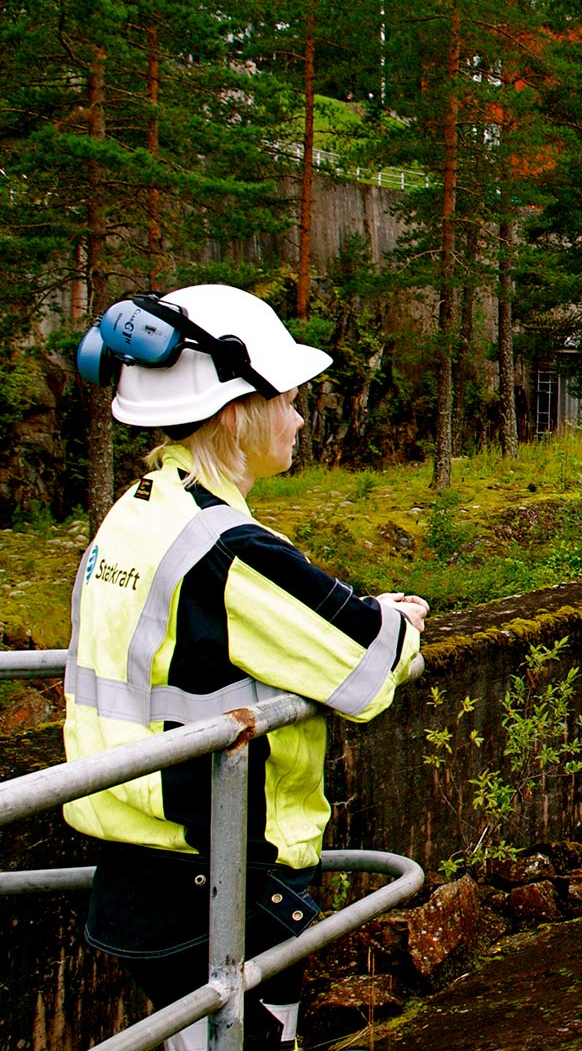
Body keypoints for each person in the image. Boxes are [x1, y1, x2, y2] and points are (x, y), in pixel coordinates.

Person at [63, 284, 428, 1051]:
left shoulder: (137, 511)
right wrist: (403, 622)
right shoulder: (225, 545)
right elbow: (370, 665)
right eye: (289, 400)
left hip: (144, 867)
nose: (298, 419)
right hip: (216, 875)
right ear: (238, 411)